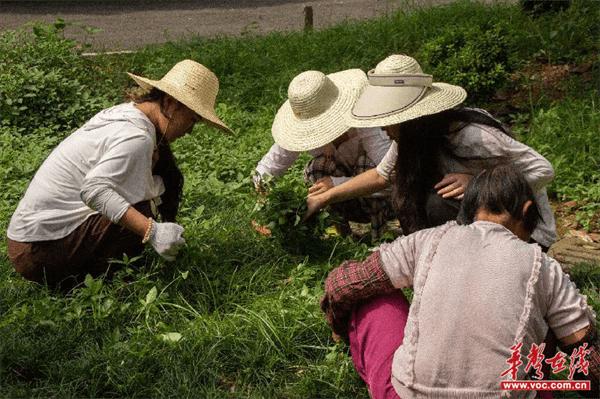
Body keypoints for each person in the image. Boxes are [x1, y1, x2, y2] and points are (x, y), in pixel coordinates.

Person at [321, 165, 598, 399]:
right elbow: (588, 363)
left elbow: (344, 285)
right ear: (527, 211)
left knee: (374, 294)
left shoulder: (429, 239)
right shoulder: (544, 267)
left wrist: (338, 324)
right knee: (550, 318)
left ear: (468, 208)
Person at [6, 59, 231, 290]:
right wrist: (151, 231)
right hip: (37, 252)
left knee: (152, 186)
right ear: (171, 103)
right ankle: (100, 284)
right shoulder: (136, 136)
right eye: (191, 120)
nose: (190, 130)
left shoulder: (128, 114)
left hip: (26, 241)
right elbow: (93, 190)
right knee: (143, 210)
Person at [306, 54, 557, 249]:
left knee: (435, 204)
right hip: (482, 225)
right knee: (407, 193)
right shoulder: (411, 140)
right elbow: (381, 176)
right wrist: (327, 196)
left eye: (388, 119)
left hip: (527, 234)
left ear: (411, 119)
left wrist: (479, 184)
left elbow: (543, 169)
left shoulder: (470, 134)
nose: (382, 127)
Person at [253, 68, 394, 238]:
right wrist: (264, 202)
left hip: (387, 199)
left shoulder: (365, 120)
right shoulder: (304, 126)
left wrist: (336, 184)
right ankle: (344, 235)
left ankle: (380, 235)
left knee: (366, 164)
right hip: (345, 200)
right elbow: (269, 167)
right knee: (317, 168)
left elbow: (391, 177)